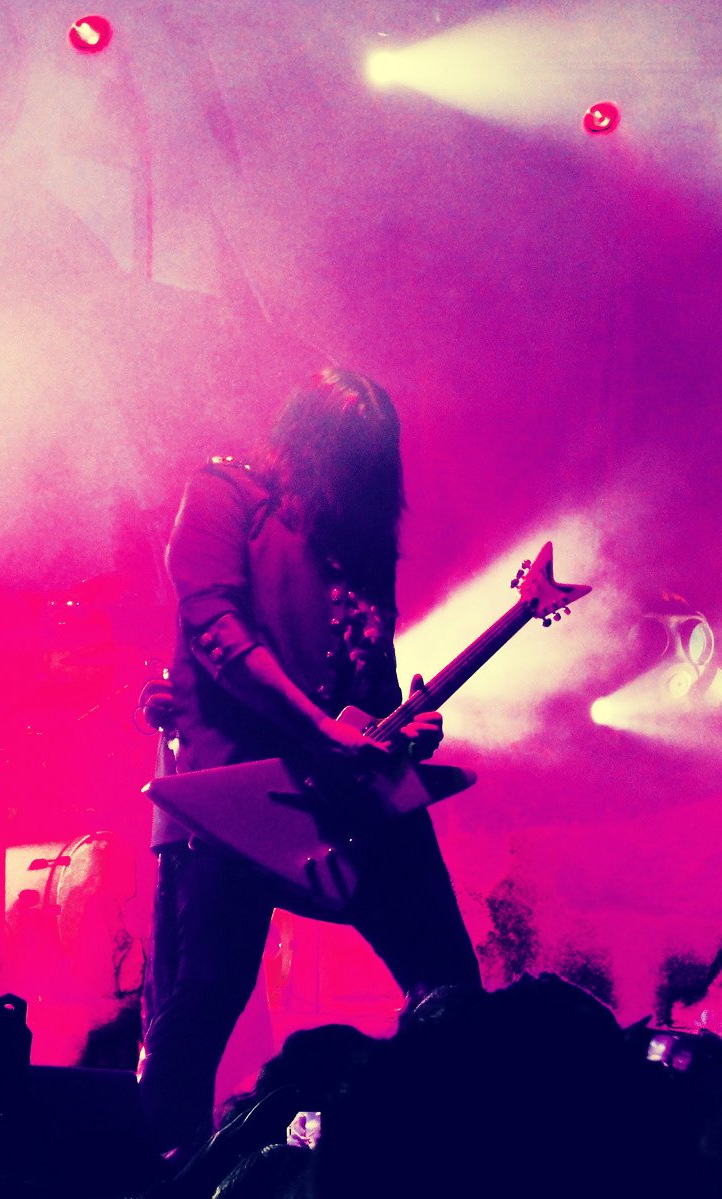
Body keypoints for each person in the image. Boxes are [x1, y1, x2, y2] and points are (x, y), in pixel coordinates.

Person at [140, 368, 481, 1160]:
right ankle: (157, 1173)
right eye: (351, 460)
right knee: (205, 998)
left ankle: (450, 1159)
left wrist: (404, 725)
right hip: (235, 794)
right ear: (308, 446)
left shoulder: (358, 533)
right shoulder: (223, 493)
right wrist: (320, 729)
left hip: (349, 787)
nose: (362, 482)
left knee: (450, 984)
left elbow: (371, 667)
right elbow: (216, 631)